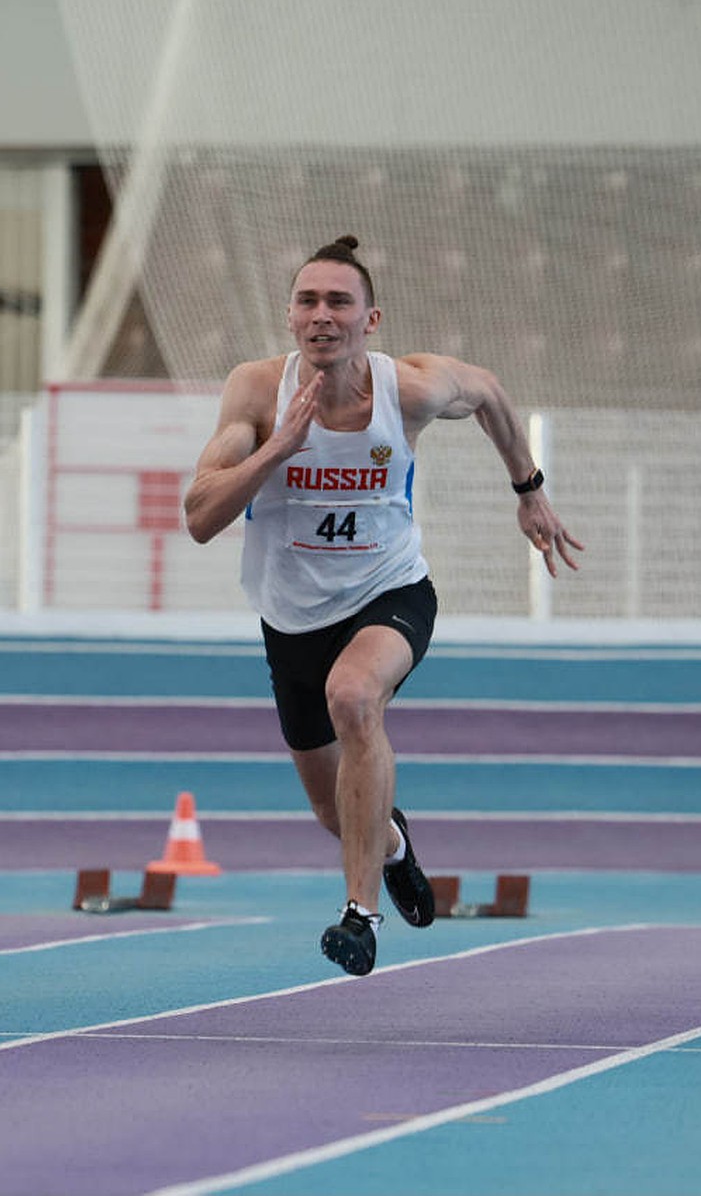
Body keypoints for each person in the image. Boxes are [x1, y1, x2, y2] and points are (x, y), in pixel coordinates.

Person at [184, 235, 582, 974]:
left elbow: (490, 391)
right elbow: (200, 515)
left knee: (355, 696)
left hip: (389, 592)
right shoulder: (255, 392)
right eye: (308, 301)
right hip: (291, 620)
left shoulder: (410, 389)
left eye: (340, 301)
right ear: (291, 316)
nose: (322, 315)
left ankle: (359, 917)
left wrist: (529, 491)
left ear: (371, 320)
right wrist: (276, 450)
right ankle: (393, 847)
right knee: (339, 815)